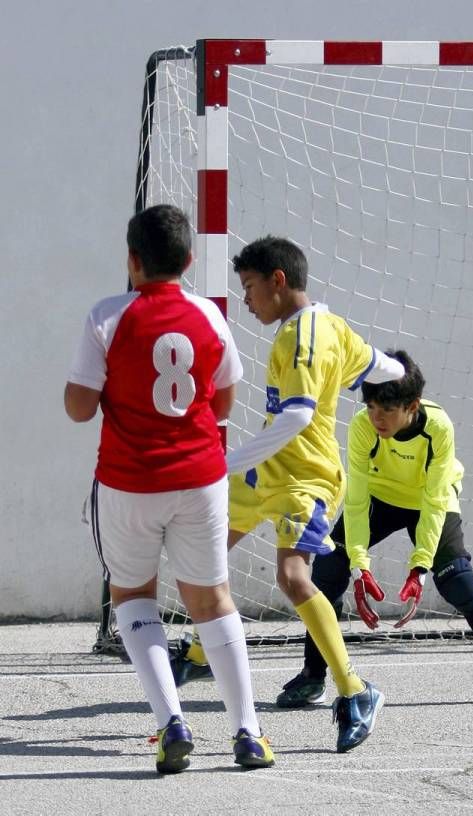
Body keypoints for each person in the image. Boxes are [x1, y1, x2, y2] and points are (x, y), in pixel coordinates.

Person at [172, 235, 405, 753]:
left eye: (251, 288)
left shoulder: (299, 337)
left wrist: (225, 461)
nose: (248, 300)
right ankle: (199, 656)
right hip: (265, 477)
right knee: (203, 551)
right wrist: (402, 377)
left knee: (292, 575)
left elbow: (299, 415)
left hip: (307, 480)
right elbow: (384, 367)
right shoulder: (334, 326)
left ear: (278, 281)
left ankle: (356, 690)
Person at [64, 204, 274, 774]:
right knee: (212, 600)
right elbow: (225, 401)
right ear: (188, 259)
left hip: (130, 482)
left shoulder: (106, 317)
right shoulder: (209, 315)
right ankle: (248, 733)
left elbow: (79, 409)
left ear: (131, 260)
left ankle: (171, 722)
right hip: (201, 479)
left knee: (133, 597)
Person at [276, 349, 473, 709]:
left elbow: (434, 501)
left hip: (430, 500)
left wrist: (420, 566)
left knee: (457, 580)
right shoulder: (363, 428)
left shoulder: (438, 428)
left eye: (386, 409)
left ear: (412, 405)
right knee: (327, 569)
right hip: (381, 498)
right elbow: (356, 500)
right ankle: (313, 676)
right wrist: (360, 565)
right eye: (370, 406)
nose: (376, 417)